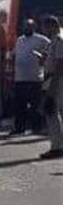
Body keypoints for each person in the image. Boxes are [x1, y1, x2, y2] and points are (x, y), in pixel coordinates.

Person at [11, 18, 50, 135]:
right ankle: (19, 128)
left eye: (29, 26)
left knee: (35, 105)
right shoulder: (19, 40)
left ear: (34, 27)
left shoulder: (42, 39)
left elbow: (50, 53)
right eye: (25, 26)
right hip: (20, 78)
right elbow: (14, 55)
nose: (27, 28)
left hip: (35, 78)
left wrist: (43, 57)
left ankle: (36, 128)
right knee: (19, 105)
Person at [40, 15, 63, 159]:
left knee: (52, 113)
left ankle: (57, 147)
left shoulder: (59, 41)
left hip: (56, 80)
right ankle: (57, 145)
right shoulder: (53, 42)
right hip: (51, 78)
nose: (44, 30)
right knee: (53, 113)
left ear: (52, 26)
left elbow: (60, 64)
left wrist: (52, 87)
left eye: (45, 27)